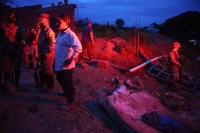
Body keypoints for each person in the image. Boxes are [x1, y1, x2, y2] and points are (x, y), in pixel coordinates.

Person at [54, 14, 82, 111]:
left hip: (67, 65)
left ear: (66, 23)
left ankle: (70, 103)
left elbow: (79, 48)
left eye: (60, 22)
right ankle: (65, 92)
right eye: (56, 22)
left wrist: (71, 59)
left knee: (67, 82)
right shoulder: (60, 34)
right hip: (59, 62)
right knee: (59, 78)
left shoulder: (70, 34)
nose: (57, 24)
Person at [0, 10, 26, 94]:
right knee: (6, 68)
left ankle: (16, 83)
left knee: (17, 68)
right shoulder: (2, 26)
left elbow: (24, 38)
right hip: (6, 51)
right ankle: (7, 84)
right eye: (8, 15)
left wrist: (24, 42)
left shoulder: (20, 28)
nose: (10, 17)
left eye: (12, 16)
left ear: (16, 18)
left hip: (17, 52)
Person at [36, 13, 56, 92]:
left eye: (41, 19)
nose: (39, 21)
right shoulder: (42, 30)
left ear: (47, 21)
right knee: (42, 69)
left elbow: (52, 44)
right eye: (39, 19)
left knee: (48, 69)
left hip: (48, 54)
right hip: (42, 53)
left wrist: (44, 52)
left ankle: (50, 86)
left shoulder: (49, 31)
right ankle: (43, 83)